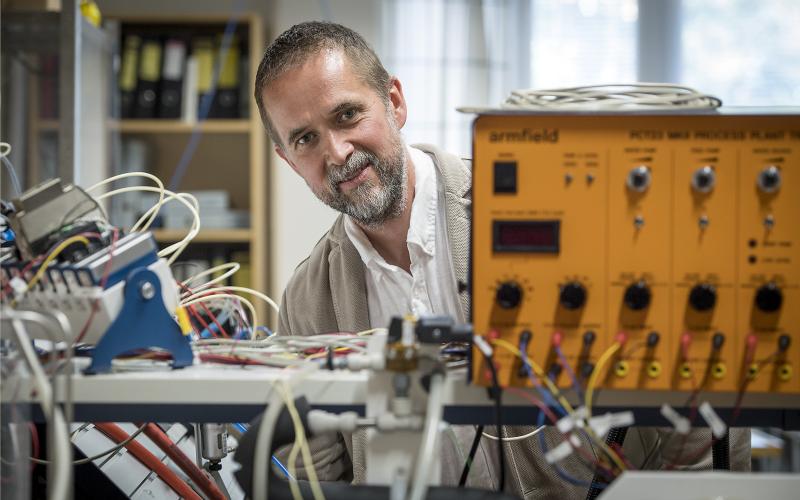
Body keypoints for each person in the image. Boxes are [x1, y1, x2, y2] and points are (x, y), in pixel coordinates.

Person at [254, 20, 750, 499]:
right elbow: (314, 484)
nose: (337, 152)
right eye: (305, 138)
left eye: (347, 116)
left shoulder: (538, 213)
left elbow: (698, 374)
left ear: (395, 103)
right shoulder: (307, 302)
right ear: (286, 158)